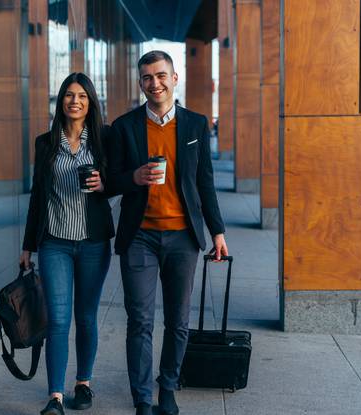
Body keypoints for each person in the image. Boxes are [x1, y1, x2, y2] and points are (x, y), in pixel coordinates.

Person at [105, 51, 229, 415]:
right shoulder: (125, 127)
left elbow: (204, 183)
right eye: (146, 77)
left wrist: (217, 232)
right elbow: (109, 182)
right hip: (139, 235)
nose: (154, 83)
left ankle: (168, 387)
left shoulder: (195, 125)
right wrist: (133, 178)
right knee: (139, 319)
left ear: (175, 79)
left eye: (161, 76)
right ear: (140, 83)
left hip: (183, 238)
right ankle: (142, 398)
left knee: (178, 319)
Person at [20, 72, 114, 415]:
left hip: (93, 243)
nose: (75, 101)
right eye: (69, 96)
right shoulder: (45, 143)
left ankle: (83, 383)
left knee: (86, 316)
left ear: (90, 104)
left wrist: (104, 184)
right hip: (54, 243)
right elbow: (36, 198)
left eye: (82, 97)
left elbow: (117, 184)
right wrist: (27, 246)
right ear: (61, 101)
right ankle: (55, 397)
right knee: (58, 320)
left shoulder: (104, 141)